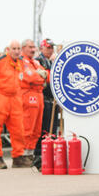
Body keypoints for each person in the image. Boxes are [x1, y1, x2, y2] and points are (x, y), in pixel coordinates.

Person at [0, 40, 32, 169]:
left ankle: (18, 158)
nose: (16, 51)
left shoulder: (20, 62)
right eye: (13, 48)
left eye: (18, 49)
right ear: (8, 49)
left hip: (15, 99)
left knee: (19, 129)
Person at [21, 39, 48, 163]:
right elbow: (29, 77)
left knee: (37, 129)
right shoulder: (22, 61)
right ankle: (23, 155)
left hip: (39, 95)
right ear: (24, 48)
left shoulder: (35, 62)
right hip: (28, 95)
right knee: (28, 126)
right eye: (30, 47)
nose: (33, 49)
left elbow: (47, 75)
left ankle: (30, 154)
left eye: (34, 47)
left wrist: (41, 75)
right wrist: (40, 76)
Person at [33, 38, 59, 169]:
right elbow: (43, 77)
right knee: (43, 129)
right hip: (43, 98)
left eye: (51, 47)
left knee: (52, 129)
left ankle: (51, 153)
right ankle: (39, 155)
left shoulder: (51, 61)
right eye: (48, 47)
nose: (51, 50)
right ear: (42, 48)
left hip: (52, 100)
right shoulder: (39, 61)